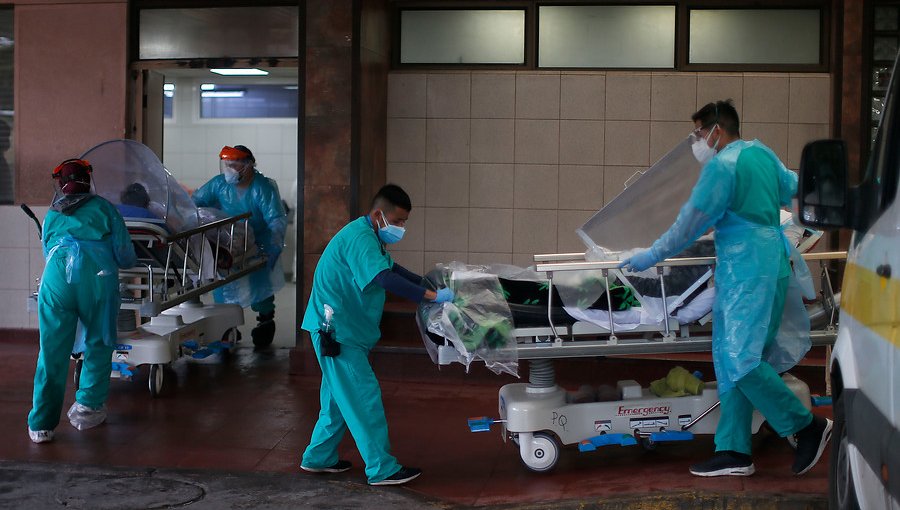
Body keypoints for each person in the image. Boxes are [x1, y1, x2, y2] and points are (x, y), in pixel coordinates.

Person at [619, 100, 833, 477]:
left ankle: (806, 426)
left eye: (699, 133)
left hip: (747, 270)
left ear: (716, 130)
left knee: (742, 361)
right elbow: (797, 191)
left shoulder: (722, 168)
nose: (697, 141)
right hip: (764, 264)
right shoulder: (761, 155)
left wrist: (648, 255)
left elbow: (689, 224)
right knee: (731, 359)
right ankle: (734, 451)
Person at [300, 184, 454, 486]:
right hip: (337, 335)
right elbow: (384, 278)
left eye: (404, 222)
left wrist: (426, 284)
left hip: (340, 331)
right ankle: (382, 468)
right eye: (397, 222)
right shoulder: (360, 238)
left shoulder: (367, 236)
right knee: (362, 397)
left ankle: (319, 457)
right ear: (378, 215)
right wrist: (431, 297)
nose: (400, 228)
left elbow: (391, 268)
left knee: (336, 400)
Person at [27, 159, 137, 443]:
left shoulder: (52, 214)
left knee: (51, 351)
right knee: (98, 342)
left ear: (61, 185)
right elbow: (125, 254)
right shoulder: (105, 209)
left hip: (56, 281)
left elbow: (48, 252)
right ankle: (87, 409)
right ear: (89, 181)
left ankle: (41, 425)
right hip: (97, 279)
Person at [192, 145, 287, 348]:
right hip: (228, 243)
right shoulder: (219, 185)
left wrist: (273, 245)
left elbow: (276, 219)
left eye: (234, 165)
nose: (229, 170)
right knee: (224, 285)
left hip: (257, 244)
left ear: (248, 165)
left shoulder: (262, 188)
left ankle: (265, 320)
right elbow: (195, 202)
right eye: (227, 165)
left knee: (259, 286)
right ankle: (226, 324)